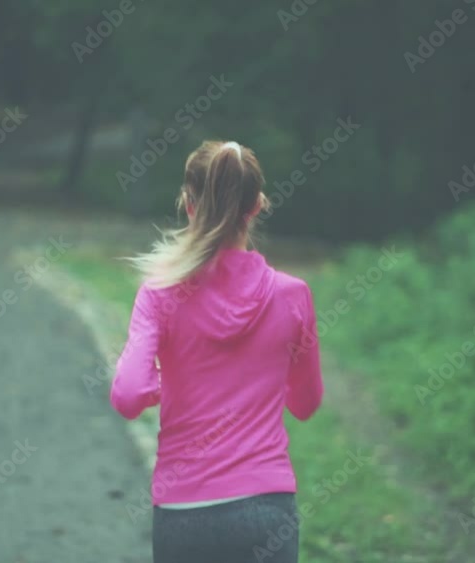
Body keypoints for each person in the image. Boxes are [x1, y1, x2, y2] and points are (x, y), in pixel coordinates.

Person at [110, 140, 324, 562]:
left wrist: (168, 383)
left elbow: (128, 396)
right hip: (267, 507)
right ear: (257, 205)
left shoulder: (159, 294)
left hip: (184, 513)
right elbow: (306, 403)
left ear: (189, 205)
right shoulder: (293, 295)